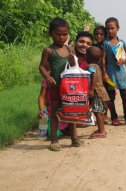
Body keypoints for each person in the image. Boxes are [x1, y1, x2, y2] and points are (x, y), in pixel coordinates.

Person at [39, 17, 84, 151]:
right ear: (50, 33)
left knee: (70, 113)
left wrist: (72, 62)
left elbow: (75, 66)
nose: (61, 37)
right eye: (58, 34)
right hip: (55, 86)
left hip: (69, 88)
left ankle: (74, 138)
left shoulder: (70, 49)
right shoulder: (48, 50)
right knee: (55, 113)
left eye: (64, 34)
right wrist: (47, 77)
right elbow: (41, 67)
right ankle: (54, 140)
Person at [101, 17, 126, 126]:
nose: (110, 31)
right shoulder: (105, 43)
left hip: (121, 73)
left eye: (112, 28)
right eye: (107, 29)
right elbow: (103, 59)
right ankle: (114, 117)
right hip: (110, 73)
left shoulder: (122, 42)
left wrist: (124, 60)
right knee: (111, 96)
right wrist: (104, 73)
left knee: (125, 95)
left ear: (118, 28)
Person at [37, 64, 69, 136]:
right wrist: (42, 111)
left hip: (66, 114)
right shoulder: (47, 78)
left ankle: (65, 128)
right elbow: (41, 96)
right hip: (51, 112)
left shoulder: (67, 77)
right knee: (53, 134)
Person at [86, 46, 110, 138]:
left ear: (87, 58)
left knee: (97, 112)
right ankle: (102, 129)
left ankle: (101, 131)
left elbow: (94, 76)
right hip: (102, 93)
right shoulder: (98, 66)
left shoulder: (91, 66)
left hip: (97, 93)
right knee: (99, 112)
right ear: (100, 59)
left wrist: (91, 89)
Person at [93, 26, 109, 124]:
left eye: (101, 34)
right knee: (97, 94)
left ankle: (105, 115)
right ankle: (100, 115)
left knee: (105, 93)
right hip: (95, 73)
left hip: (105, 73)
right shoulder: (93, 47)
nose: (98, 36)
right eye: (96, 34)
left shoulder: (107, 46)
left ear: (105, 35)